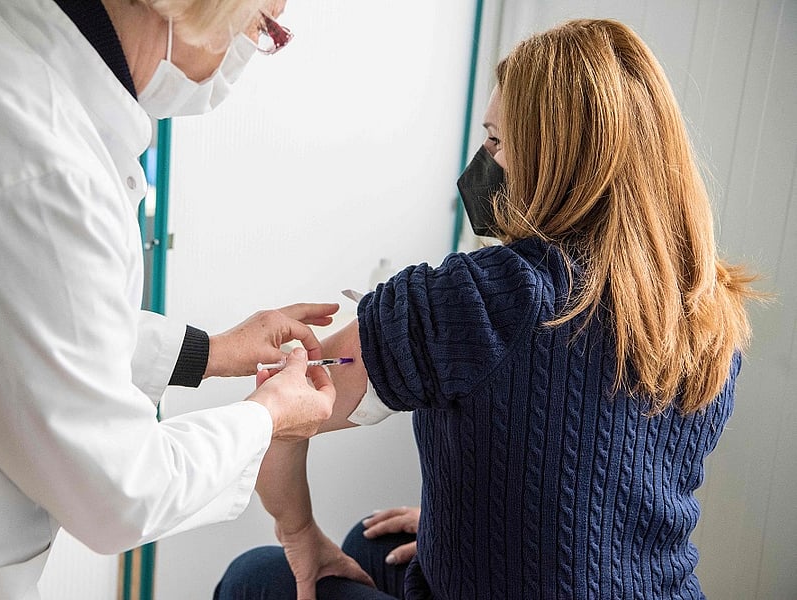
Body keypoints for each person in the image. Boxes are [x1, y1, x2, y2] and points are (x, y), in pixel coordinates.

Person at [214, 18, 758, 600]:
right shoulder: (705, 313)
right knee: (372, 540)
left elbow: (286, 419)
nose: (483, 159)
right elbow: (606, 490)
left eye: (497, 141)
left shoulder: (486, 298)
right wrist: (462, 535)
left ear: (556, 160)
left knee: (257, 578)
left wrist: (299, 535)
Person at [0, 0, 342, 598]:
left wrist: (207, 352)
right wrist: (268, 415)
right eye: (261, 27)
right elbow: (121, 491)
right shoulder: (39, 165)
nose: (244, 54)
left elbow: (13, 313)